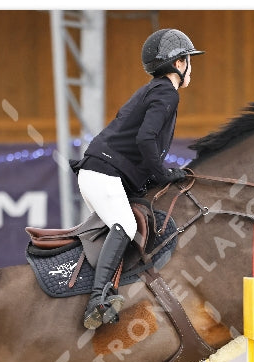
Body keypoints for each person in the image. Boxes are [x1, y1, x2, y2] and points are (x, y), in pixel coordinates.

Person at [74, 28, 205, 330]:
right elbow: (146, 139)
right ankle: (99, 299)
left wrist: (157, 177)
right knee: (127, 225)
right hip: (103, 175)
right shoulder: (166, 93)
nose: (191, 68)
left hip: (105, 173)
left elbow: (140, 142)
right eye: (189, 61)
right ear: (179, 63)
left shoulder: (154, 90)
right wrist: (164, 173)